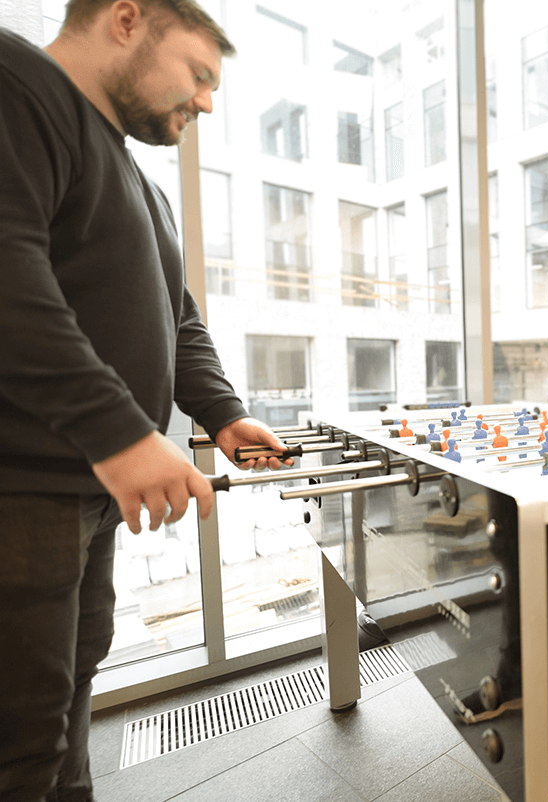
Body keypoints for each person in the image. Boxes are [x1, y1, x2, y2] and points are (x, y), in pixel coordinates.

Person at [0, 2, 293, 799]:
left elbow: (178, 319)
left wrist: (223, 413)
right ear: (126, 20)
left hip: (82, 490)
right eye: (198, 75)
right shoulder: (16, 83)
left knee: (69, 691)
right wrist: (121, 434)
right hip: (22, 489)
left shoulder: (136, 178)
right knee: (17, 731)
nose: (206, 101)